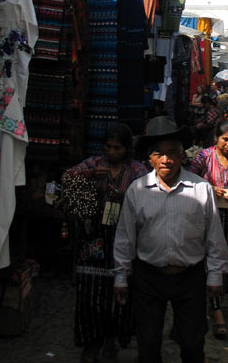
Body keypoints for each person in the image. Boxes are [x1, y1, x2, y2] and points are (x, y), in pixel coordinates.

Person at [113, 116, 228, 363]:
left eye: (172, 153)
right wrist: (121, 276)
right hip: (149, 277)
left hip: (190, 276)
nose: (166, 159)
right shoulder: (137, 190)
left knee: (192, 342)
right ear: (150, 158)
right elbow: (125, 237)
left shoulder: (201, 189)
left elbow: (214, 236)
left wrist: (215, 274)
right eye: (159, 154)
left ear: (181, 155)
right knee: (148, 342)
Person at [63, 124, 148, 363]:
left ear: (126, 149)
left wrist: (125, 197)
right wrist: (88, 176)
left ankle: (113, 338)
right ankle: (91, 340)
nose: (112, 152)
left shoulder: (136, 170)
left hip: (124, 238)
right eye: (108, 147)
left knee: (120, 293)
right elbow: (68, 178)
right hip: (94, 238)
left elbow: (147, 196)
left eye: (117, 148)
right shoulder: (93, 164)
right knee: (90, 295)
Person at [189, 120, 228, 338]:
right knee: (207, 258)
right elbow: (189, 181)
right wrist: (209, 189)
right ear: (216, 137)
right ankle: (215, 309)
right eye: (225, 139)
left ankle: (218, 300)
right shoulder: (203, 157)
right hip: (206, 216)